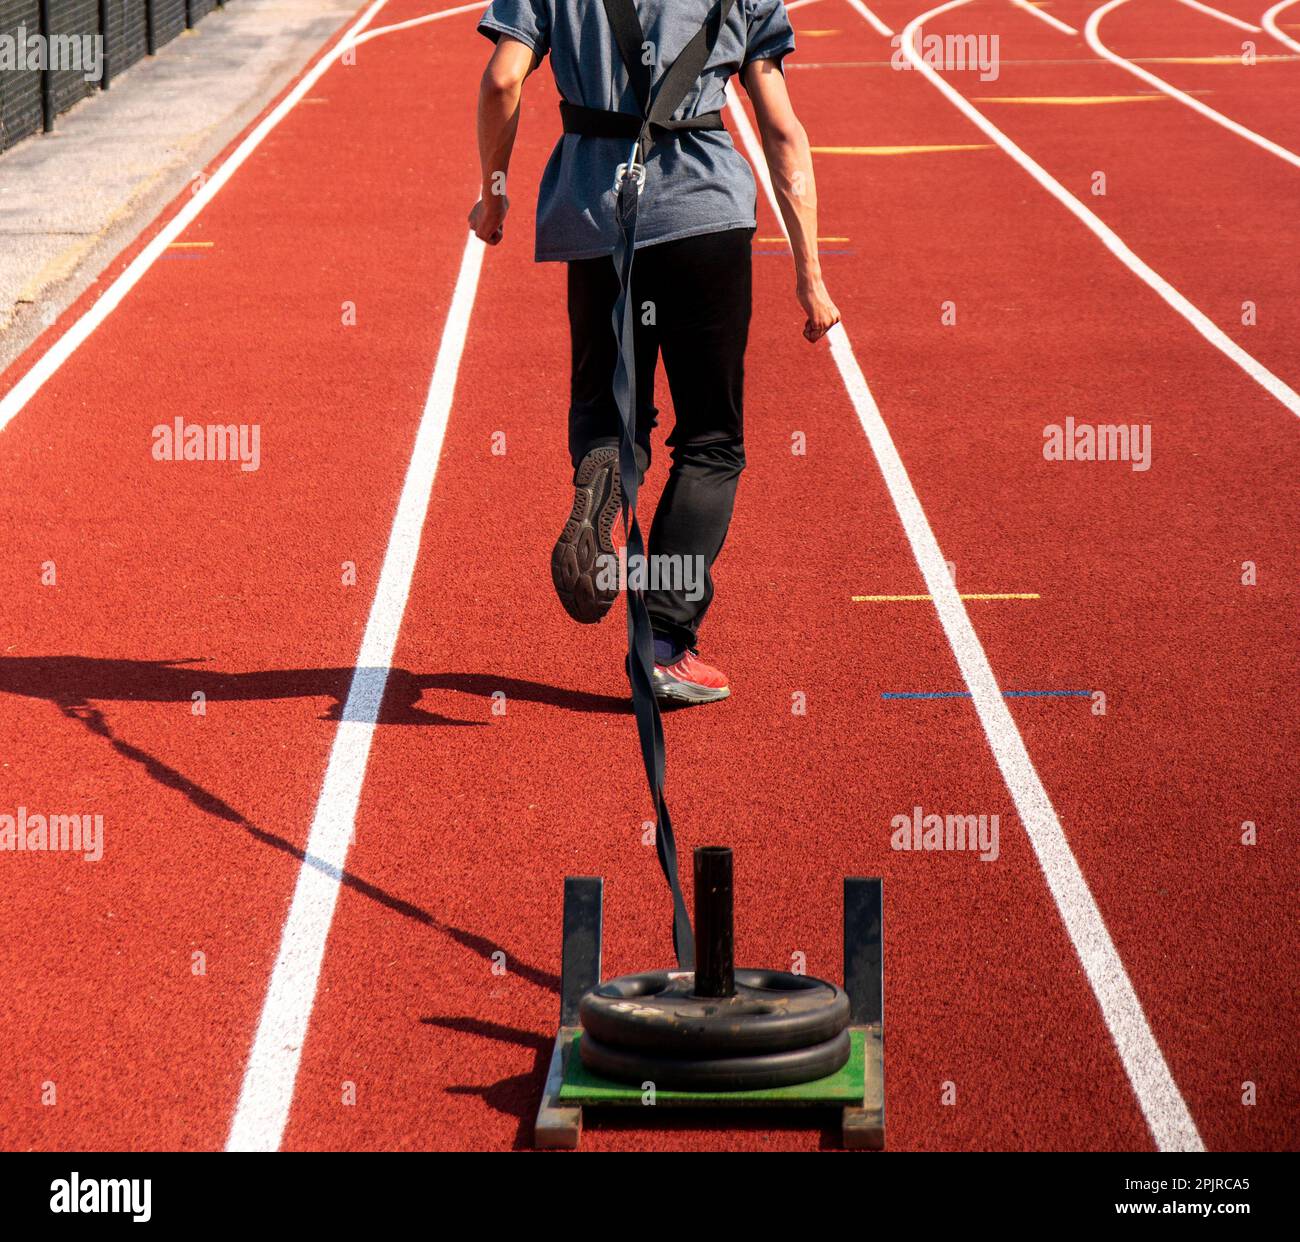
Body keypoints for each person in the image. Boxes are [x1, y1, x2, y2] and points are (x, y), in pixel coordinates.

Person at [470, 0, 839, 704]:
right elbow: (782, 131)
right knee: (710, 440)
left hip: (597, 219)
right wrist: (810, 274)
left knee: (611, 413)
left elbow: (501, 82)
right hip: (706, 215)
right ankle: (666, 645)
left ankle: (605, 458)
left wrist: (494, 195)